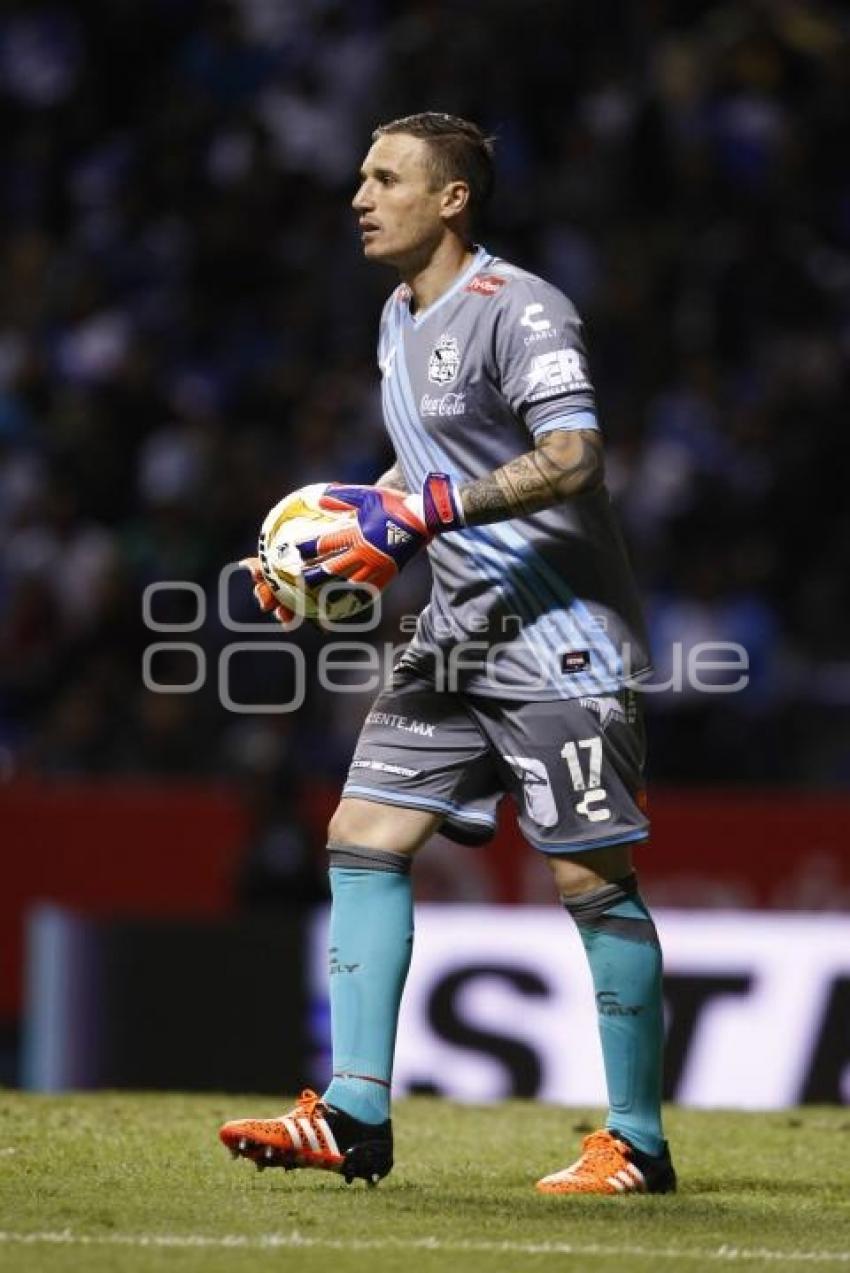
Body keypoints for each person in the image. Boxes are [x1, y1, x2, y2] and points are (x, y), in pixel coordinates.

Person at [220, 112, 675, 1196]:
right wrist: (312, 555)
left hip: (559, 637)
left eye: (385, 178)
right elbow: (422, 466)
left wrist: (427, 509)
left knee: (586, 875)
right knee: (362, 835)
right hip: (457, 634)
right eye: (361, 177)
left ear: (451, 198)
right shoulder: (395, 315)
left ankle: (636, 1142)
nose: (359, 195)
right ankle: (354, 1113)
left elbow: (571, 457)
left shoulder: (518, 308)